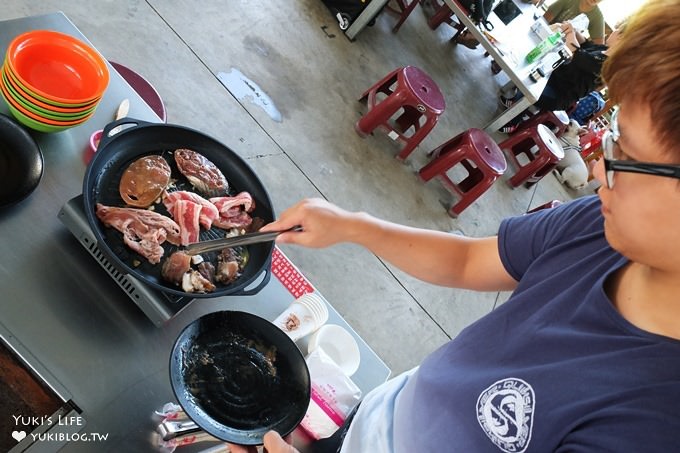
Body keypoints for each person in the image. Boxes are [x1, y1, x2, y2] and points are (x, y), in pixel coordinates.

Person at [230, 0, 680, 450]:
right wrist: (354, 226)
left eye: (628, 156)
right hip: (377, 420)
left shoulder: (650, 424)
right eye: (610, 140)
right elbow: (468, 261)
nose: (599, 172)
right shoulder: (596, 228)